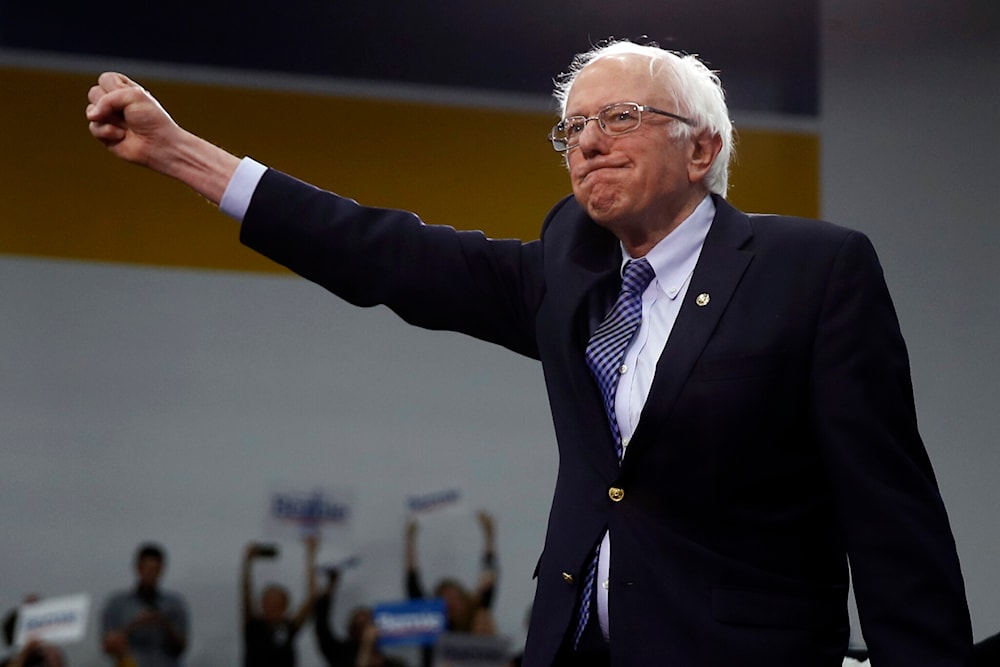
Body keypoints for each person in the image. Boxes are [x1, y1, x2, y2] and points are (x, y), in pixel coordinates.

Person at [85, 37, 974, 666]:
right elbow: (386, 251)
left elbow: (892, 515)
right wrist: (181, 156)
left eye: (618, 118)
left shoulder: (811, 271)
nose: (585, 142)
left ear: (702, 148)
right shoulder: (572, 269)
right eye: (573, 128)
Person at [406, 511, 499, 667]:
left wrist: (489, 535)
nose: (450, 603)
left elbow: (488, 582)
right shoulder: (430, 623)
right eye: (445, 599)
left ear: (464, 599)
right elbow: (413, 585)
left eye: (455, 598)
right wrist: (410, 541)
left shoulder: (474, 615)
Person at [100, 543, 188, 667]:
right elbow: (107, 646)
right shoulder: (117, 604)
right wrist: (135, 624)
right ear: (138, 568)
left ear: (161, 570)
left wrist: (164, 624)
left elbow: (183, 647)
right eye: (147, 569)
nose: (150, 574)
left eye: (155, 569)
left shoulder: (174, 604)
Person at [240, 535, 318, 667]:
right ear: (262, 605)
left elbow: (311, 597)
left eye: (277, 605)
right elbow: (245, 592)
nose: (272, 608)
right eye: (269, 604)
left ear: (285, 607)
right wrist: (247, 564)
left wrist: (310, 555)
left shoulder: (289, 627)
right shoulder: (253, 626)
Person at [314, 568, 409, 667]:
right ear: (352, 628)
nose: (368, 629)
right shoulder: (340, 652)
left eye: (370, 623)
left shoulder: (388, 661)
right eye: (361, 625)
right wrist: (331, 585)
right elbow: (321, 624)